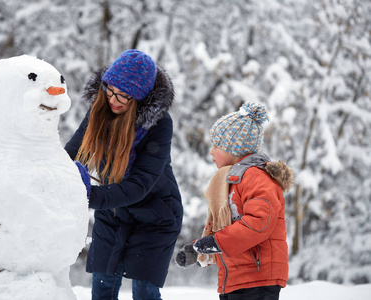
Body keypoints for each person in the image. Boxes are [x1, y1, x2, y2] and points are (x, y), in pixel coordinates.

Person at [65, 49, 183, 300]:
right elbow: (73, 153)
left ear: (139, 98)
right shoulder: (101, 109)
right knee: (102, 289)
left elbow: (139, 184)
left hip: (156, 215)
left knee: (144, 293)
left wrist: (86, 196)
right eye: (110, 90)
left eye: (123, 96)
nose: (113, 99)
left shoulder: (159, 124)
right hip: (113, 212)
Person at [176, 102, 294, 300]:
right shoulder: (230, 182)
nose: (211, 152)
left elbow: (258, 224)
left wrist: (213, 243)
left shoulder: (256, 178)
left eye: (216, 146)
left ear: (235, 148)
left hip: (257, 278)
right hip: (235, 277)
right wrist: (197, 249)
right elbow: (227, 227)